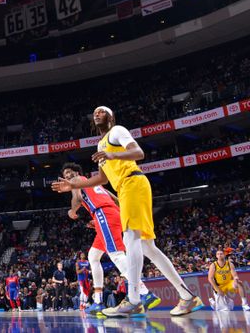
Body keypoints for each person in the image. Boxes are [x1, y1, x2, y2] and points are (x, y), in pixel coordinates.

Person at [52, 105, 204, 318]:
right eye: (94, 112)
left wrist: (113, 156)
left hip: (133, 181)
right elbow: (103, 179)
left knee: (131, 238)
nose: (97, 114)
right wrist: (73, 186)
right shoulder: (100, 144)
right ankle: (187, 296)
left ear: (111, 117)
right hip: (124, 189)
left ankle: (134, 300)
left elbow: (138, 152)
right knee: (147, 247)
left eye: (102, 111)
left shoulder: (117, 131)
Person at [61, 162, 159, 315]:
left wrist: (72, 211)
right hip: (111, 215)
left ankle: (144, 293)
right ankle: (98, 301)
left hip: (104, 215)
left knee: (116, 254)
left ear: (76, 172)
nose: (67, 176)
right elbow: (116, 199)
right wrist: (105, 219)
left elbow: (78, 199)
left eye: (69, 172)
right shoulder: (95, 183)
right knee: (93, 256)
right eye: (65, 174)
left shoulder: (75, 181)